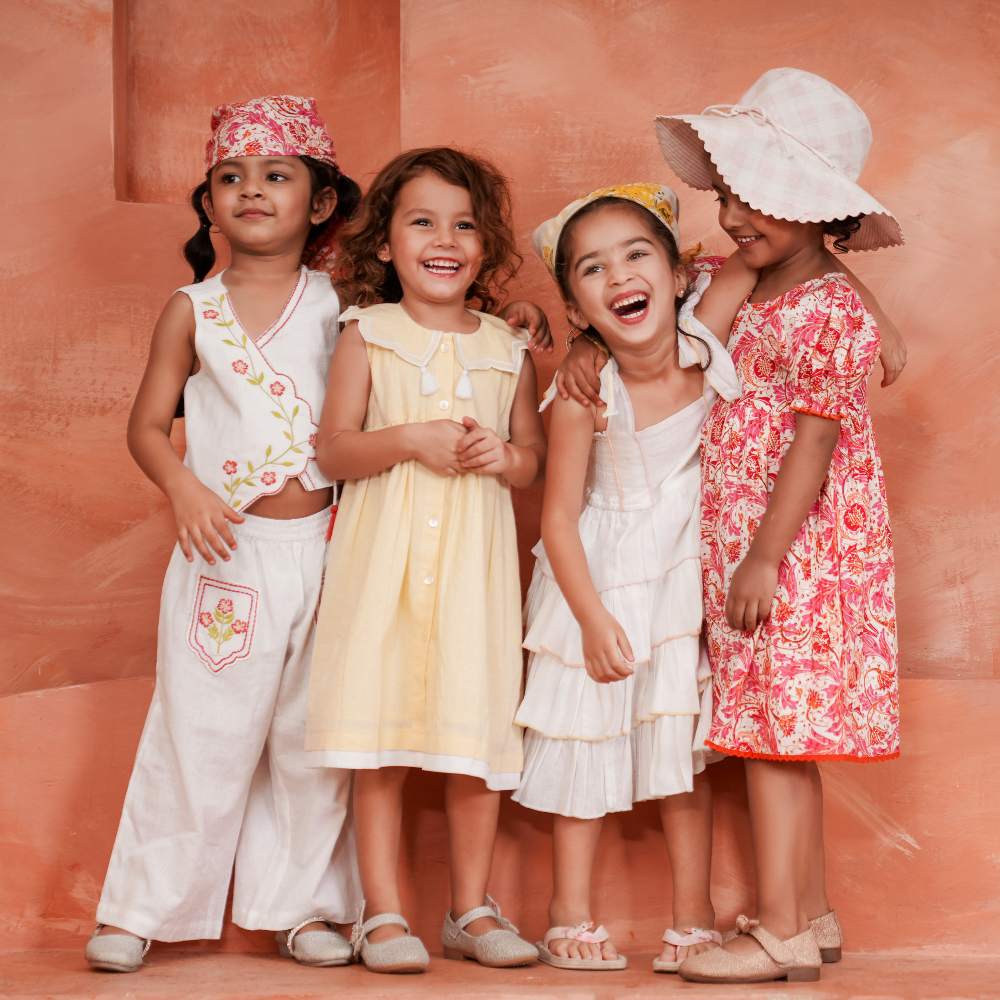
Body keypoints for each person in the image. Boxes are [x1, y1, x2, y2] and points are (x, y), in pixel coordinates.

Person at [85, 95, 365, 973]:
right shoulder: (192, 309)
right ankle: (142, 908)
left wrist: (518, 323)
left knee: (312, 738)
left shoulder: (347, 303)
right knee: (199, 731)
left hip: (328, 552)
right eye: (231, 177)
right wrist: (183, 489)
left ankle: (304, 907)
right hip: (224, 558)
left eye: (277, 176)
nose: (252, 191)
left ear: (319, 202)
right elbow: (143, 427)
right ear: (208, 202)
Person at [305, 147, 546, 973]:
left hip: (475, 579)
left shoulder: (506, 347)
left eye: (464, 224)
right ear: (384, 244)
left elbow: (531, 462)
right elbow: (332, 453)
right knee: (378, 742)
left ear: (484, 247)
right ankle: (382, 912)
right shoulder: (365, 334)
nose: (445, 238)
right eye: (421, 221)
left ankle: (470, 909)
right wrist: (408, 439)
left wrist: (497, 458)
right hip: (382, 572)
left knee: (472, 736)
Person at [514, 183, 754, 973]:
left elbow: (786, 249)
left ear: (682, 274)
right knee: (585, 738)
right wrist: (587, 619)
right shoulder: (586, 392)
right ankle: (567, 914)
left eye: (637, 254)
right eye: (592, 269)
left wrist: (877, 316)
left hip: (679, 577)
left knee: (680, 750)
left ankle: (694, 916)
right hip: (600, 575)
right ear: (578, 310)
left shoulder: (705, 342)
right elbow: (556, 519)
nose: (619, 276)